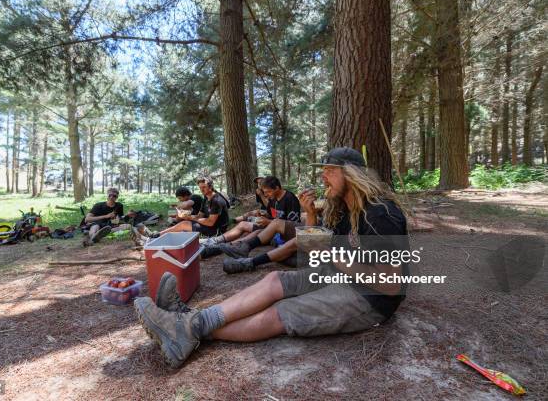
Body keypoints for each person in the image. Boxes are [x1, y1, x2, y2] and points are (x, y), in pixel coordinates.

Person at [134, 146, 409, 368]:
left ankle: (187, 329)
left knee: (283, 312)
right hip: (342, 274)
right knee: (275, 280)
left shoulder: (380, 214)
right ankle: (192, 319)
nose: (323, 177)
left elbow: (390, 284)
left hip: (371, 298)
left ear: (351, 175)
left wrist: (330, 253)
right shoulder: (344, 208)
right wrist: (311, 214)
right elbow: (320, 245)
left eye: (330, 171)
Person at [202, 176, 300, 259]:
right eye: (264, 192)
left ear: (277, 188)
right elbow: (272, 214)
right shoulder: (273, 199)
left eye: (268, 192)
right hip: (271, 228)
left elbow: (291, 227)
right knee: (244, 224)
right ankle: (215, 241)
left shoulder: (290, 199)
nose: (266, 195)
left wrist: (269, 222)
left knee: (257, 232)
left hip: (282, 234)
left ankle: (222, 248)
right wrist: (264, 215)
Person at [142, 177, 230, 238]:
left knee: (184, 224)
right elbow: (200, 216)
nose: (202, 190)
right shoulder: (206, 198)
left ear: (210, 186)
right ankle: (158, 235)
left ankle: (156, 236)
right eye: (200, 188)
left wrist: (189, 217)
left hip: (217, 230)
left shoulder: (216, 200)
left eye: (204, 187)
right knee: (183, 223)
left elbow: (210, 222)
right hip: (208, 225)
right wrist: (188, 217)